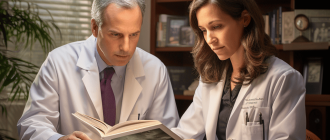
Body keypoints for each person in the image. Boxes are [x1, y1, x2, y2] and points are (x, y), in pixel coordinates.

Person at [17, 0, 179, 140]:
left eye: (134, 34)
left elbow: (167, 130)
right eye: (115, 35)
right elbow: (32, 123)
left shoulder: (155, 69)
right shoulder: (58, 62)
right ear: (94, 27)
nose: (126, 47)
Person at [171, 0, 306, 140]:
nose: (210, 39)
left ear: (245, 19)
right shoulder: (210, 78)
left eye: (216, 26)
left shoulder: (284, 78)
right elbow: (185, 133)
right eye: (204, 30)